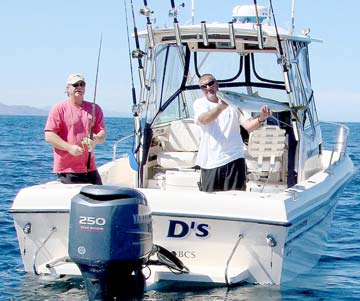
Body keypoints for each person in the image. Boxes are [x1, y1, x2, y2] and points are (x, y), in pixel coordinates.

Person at [193, 74, 272, 192]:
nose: (208, 88)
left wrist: (262, 118)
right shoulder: (200, 103)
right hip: (210, 162)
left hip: (235, 158)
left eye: (210, 83)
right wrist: (220, 107)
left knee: (236, 200)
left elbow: (249, 126)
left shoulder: (234, 103)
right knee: (209, 203)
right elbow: (204, 120)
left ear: (217, 83)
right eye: (204, 86)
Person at [44, 74, 106, 184]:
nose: (79, 87)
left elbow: (102, 134)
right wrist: (69, 148)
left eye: (82, 84)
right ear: (68, 89)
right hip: (68, 170)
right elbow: (49, 135)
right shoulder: (59, 108)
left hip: (90, 168)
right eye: (75, 84)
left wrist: (96, 139)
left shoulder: (95, 108)